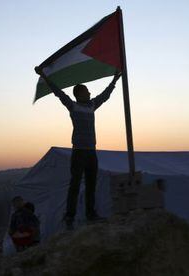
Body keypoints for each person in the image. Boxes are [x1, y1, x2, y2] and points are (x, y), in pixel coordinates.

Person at [34, 66, 121, 230]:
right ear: (80, 94)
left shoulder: (92, 105)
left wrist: (115, 80)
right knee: (74, 185)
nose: (89, 93)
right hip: (79, 152)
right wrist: (44, 75)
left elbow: (105, 95)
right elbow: (58, 93)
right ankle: (70, 217)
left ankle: (90, 214)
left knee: (91, 184)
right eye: (86, 91)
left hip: (91, 152)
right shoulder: (73, 106)